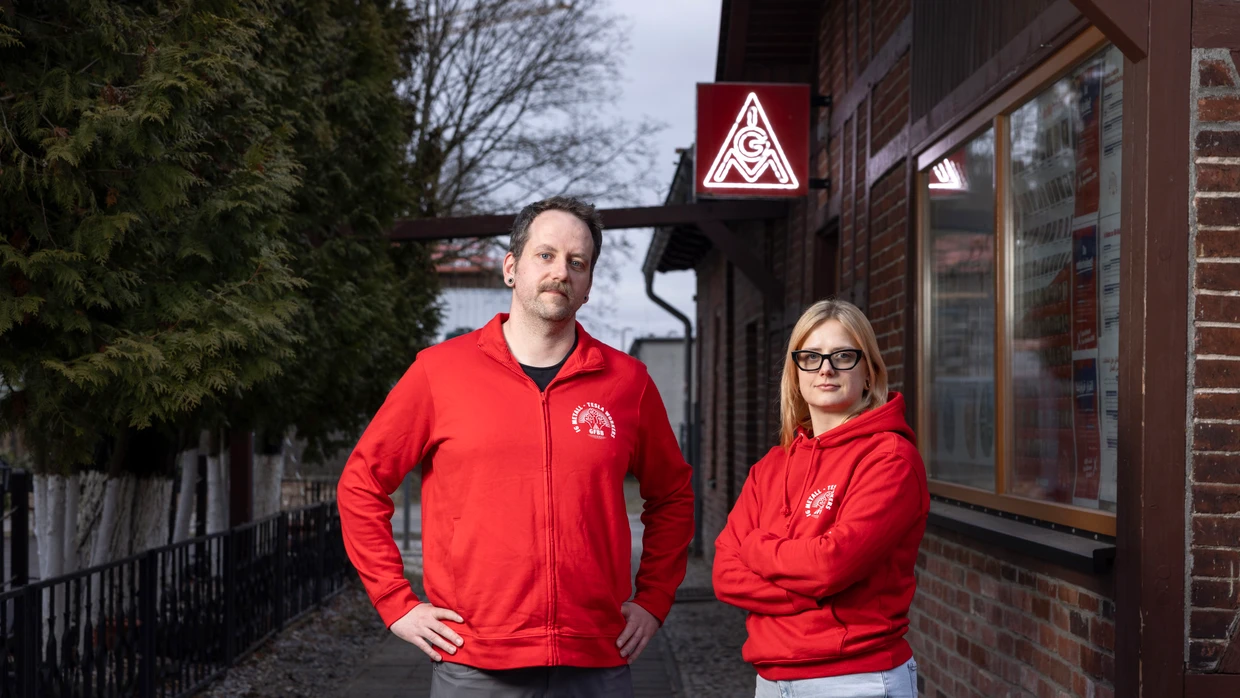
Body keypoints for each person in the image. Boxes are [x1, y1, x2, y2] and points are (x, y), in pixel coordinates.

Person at [337, 196, 694, 698]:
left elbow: (673, 493)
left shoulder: (626, 383)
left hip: (597, 658)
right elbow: (362, 482)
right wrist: (397, 602)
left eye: (577, 262)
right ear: (512, 267)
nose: (561, 272)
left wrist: (654, 599)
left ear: (589, 285)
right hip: (475, 662)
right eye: (545, 255)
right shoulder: (439, 373)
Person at [711, 299, 928, 698]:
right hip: (771, 681)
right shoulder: (769, 468)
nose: (825, 368)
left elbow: (831, 565)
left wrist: (757, 547)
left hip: (856, 681)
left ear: (868, 373)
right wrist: (814, 587)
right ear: (795, 375)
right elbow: (725, 575)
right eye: (810, 357)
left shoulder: (890, 459)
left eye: (843, 355)